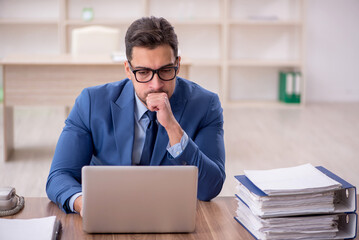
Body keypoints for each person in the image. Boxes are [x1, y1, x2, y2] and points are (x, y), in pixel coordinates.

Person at [46, 16, 225, 215]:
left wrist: (173, 129)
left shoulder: (205, 105)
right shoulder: (91, 102)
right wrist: (85, 203)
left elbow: (210, 188)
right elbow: (59, 176)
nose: (156, 84)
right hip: (109, 212)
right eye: (143, 72)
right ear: (128, 70)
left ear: (178, 65)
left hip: (169, 214)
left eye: (166, 70)